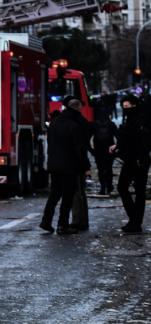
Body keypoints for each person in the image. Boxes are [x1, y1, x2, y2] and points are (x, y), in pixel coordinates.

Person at [40, 99, 90, 235]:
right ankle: (62, 224)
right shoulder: (73, 125)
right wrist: (86, 165)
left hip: (54, 164)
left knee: (55, 194)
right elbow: (79, 148)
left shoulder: (55, 123)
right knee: (68, 195)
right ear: (78, 110)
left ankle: (46, 220)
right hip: (69, 165)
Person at [110, 94, 151, 232]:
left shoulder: (140, 121)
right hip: (129, 159)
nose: (125, 109)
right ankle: (134, 219)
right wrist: (117, 147)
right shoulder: (130, 121)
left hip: (138, 160)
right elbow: (126, 139)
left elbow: (145, 141)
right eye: (124, 107)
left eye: (127, 107)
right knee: (123, 187)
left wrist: (142, 158)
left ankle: (135, 221)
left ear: (135, 105)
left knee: (139, 191)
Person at [62, 95, 93, 231]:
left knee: (76, 190)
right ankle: (82, 220)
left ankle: (78, 220)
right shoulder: (82, 121)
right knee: (80, 190)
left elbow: (78, 145)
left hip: (74, 161)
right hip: (79, 159)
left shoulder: (74, 123)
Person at [92, 106, 117, 195]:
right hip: (109, 149)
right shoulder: (111, 124)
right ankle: (109, 185)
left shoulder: (95, 124)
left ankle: (103, 187)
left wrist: (91, 150)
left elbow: (88, 136)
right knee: (109, 168)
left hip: (98, 149)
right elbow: (118, 136)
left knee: (101, 169)